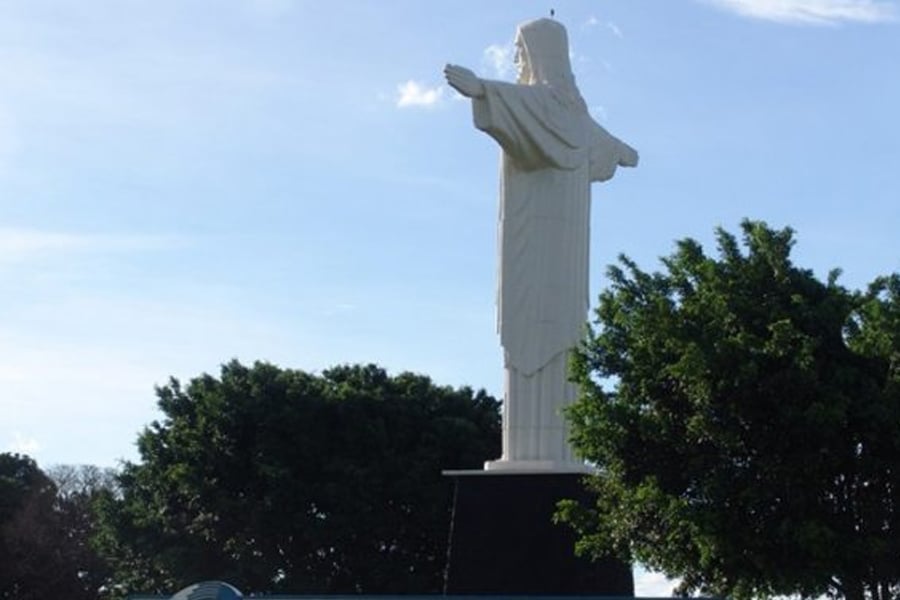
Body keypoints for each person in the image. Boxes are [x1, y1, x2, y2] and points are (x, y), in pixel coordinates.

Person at [444, 18, 638, 469]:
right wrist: (482, 91)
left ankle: (557, 453)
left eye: (519, 50)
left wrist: (482, 89)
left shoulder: (559, 108)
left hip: (563, 251)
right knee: (531, 328)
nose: (515, 59)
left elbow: (590, 137)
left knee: (566, 333)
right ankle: (531, 453)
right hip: (526, 240)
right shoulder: (549, 108)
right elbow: (529, 110)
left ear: (539, 51)